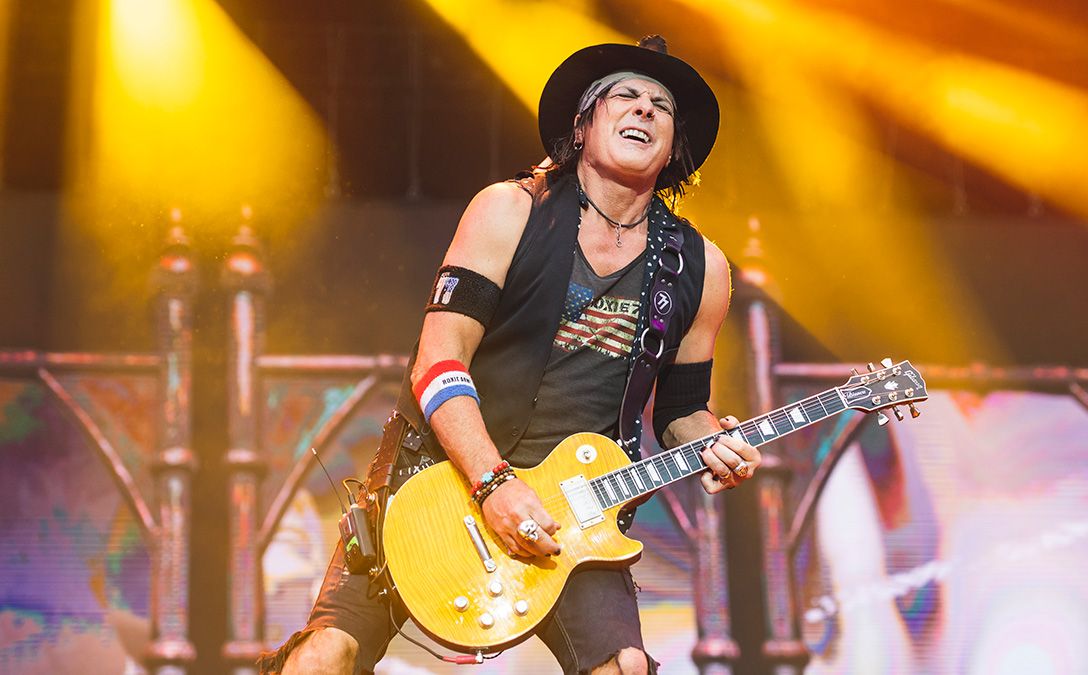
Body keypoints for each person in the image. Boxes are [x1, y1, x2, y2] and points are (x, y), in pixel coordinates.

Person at [260, 35, 761, 675]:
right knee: (324, 655)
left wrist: (715, 441)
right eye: (624, 97)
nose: (643, 111)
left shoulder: (702, 268)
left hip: (577, 512)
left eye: (660, 106)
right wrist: (492, 483)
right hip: (439, 483)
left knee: (625, 668)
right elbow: (438, 361)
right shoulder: (508, 210)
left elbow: (683, 413)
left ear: (675, 147)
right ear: (582, 128)